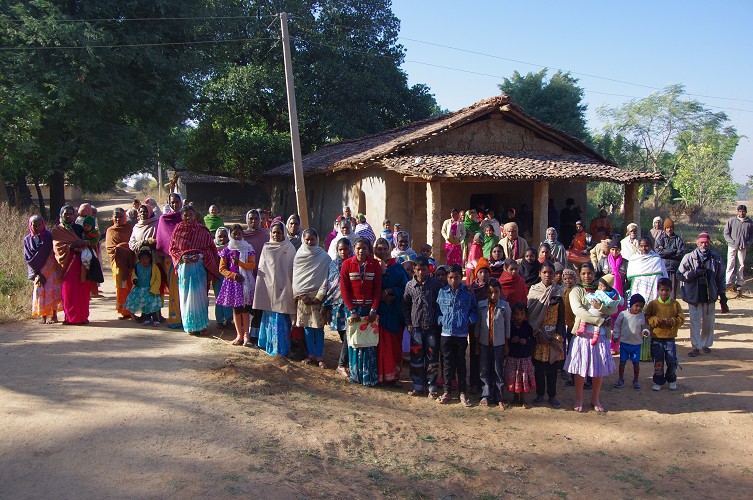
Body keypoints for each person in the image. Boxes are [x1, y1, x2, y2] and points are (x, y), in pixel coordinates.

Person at [564, 262, 617, 413]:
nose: (587, 276)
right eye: (583, 273)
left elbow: (612, 308)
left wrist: (601, 307)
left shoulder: (603, 288)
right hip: (582, 334)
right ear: (579, 274)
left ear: (594, 274)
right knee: (581, 367)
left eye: (590, 273)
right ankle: (579, 399)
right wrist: (599, 320)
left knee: (597, 368)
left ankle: (595, 399)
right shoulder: (576, 290)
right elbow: (578, 310)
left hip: (600, 335)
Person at [168, 206, 220, 335]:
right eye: (185, 215)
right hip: (185, 269)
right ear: (182, 216)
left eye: (190, 215)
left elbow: (211, 249)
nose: (188, 218)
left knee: (200, 296)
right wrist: (182, 257)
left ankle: (202, 325)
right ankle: (190, 326)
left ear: (195, 215)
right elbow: (173, 249)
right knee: (186, 297)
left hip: (199, 269)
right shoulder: (177, 230)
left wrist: (200, 255)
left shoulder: (203, 231)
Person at [340, 238, 382, 386]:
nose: (360, 251)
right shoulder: (347, 264)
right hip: (353, 310)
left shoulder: (374, 265)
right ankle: (356, 376)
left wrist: (373, 309)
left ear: (368, 249)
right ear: (354, 249)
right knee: (355, 343)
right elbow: (344, 289)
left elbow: (377, 289)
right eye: (358, 248)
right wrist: (351, 310)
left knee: (369, 343)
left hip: (369, 310)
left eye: (363, 248)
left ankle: (369, 377)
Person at [677, 232, 725, 358]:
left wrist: (723, 296)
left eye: (706, 242)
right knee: (695, 322)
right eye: (702, 242)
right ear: (697, 243)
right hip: (694, 296)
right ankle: (696, 346)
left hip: (710, 295)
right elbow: (680, 274)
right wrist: (694, 273)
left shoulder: (716, 258)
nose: (704, 245)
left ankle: (705, 344)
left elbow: (720, 278)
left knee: (709, 322)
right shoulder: (689, 257)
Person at [436, 264, 478, 406]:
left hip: (461, 333)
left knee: (461, 363)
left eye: (457, 278)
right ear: (447, 278)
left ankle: (462, 391)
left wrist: (469, 320)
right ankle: (447, 390)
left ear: (461, 277)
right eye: (451, 278)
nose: (454, 281)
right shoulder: (442, 292)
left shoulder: (467, 293)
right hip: (446, 332)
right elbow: (437, 310)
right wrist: (441, 320)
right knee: (447, 363)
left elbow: (474, 310)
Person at [253, 221, 296, 356]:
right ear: (270, 233)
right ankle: (269, 345)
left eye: (279, 232)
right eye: (274, 232)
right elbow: (263, 270)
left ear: (284, 233)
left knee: (282, 317)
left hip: (284, 288)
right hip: (269, 288)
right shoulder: (266, 248)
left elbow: (291, 270)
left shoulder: (289, 248)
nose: (276, 235)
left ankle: (281, 348)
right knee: (269, 316)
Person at [403, 255, 443, 398]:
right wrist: (408, 322)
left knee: (432, 357)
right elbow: (406, 305)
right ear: (414, 269)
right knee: (416, 358)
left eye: (424, 269)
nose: (421, 273)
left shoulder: (435, 284)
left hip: (432, 327)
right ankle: (418, 386)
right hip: (416, 329)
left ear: (428, 269)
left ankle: (432, 387)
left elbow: (442, 302)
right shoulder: (409, 286)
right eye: (418, 270)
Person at [527, 261, 565, 408]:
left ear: (555, 274)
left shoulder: (558, 292)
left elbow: (561, 317)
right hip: (539, 336)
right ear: (539, 274)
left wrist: (558, 336)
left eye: (551, 272)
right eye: (545, 272)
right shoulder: (534, 291)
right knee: (540, 368)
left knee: (552, 368)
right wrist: (538, 334)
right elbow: (531, 315)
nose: (548, 275)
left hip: (554, 336)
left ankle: (552, 395)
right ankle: (539, 395)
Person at [373, 238, 408, 384]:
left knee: (393, 346)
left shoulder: (397, 267)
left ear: (389, 250)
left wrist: (389, 291)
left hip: (393, 312)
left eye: (384, 248)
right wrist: (380, 297)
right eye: (379, 249)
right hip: (377, 313)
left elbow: (406, 288)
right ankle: (378, 376)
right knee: (377, 345)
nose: (381, 251)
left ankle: (393, 376)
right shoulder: (371, 266)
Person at [627, 238, 667, 361]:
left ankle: (649, 352)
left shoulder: (656, 259)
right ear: (638, 246)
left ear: (651, 246)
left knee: (650, 320)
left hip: (652, 293)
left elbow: (663, 276)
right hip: (638, 292)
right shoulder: (634, 259)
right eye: (641, 246)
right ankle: (635, 352)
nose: (644, 249)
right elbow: (630, 277)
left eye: (647, 246)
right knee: (636, 320)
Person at [217, 225, 256, 345]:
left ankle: (246, 336)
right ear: (231, 235)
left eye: (239, 234)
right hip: (233, 284)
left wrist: (239, 263)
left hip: (245, 282)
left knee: (245, 309)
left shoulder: (248, 248)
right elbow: (222, 269)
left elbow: (252, 265)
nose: (237, 236)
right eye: (235, 234)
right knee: (236, 310)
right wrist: (233, 276)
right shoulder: (227, 250)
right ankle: (239, 335)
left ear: (242, 234)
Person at [474, 278, 510, 408]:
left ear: (500, 292)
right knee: (484, 369)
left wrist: (506, 344)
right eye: (490, 292)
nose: (493, 295)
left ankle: (499, 396)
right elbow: (478, 326)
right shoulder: (481, 305)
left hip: (499, 344)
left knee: (498, 369)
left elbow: (508, 327)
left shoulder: (505, 306)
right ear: (486, 293)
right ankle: (486, 395)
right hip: (484, 343)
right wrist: (477, 343)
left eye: (496, 292)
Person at [52, 205, 91, 325]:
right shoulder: (57, 231)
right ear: (61, 215)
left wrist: (83, 243)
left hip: (81, 263)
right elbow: (57, 246)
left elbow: (89, 241)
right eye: (65, 214)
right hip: (67, 264)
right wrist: (71, 246)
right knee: (68, 291)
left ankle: (83, 317)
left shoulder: (79, 229)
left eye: (70, 214)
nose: (68, 216)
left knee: (82, 291)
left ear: (74, 215)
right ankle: (69, 318)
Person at [644, 278, 684, 391]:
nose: (664, 293)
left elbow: (681, 318)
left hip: (670, 338)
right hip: (656, 339)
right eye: (662, 290)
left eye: (667, 290)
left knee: (671, 360)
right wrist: (655, 320)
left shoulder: (675, 304)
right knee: (658, 362)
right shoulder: (653, 304)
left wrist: (672, 321)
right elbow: (647, 317)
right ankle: (658, 380)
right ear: (658, 290)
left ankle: (671, 378)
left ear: (671, 290)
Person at [323, 238, 353, 378]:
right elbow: (331, 284)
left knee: (349, 334)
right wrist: (326, 303)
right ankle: (347, 363)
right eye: (340, 249)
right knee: (343, 335)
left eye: (345, 249)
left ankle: (341, 364)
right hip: (337, 305)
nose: (343, 252)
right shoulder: (333, 264)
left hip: (350, 305)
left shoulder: (354, 264)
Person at [24, 215, 63, 324]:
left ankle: (54, 316)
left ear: (43, 224)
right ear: (30, 226)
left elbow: (56, 250)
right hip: (38, 270)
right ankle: (43, 316)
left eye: (39, 224)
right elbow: (28, 258)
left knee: (53, 290)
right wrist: (37, 273)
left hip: (51, 268)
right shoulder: (27, 240)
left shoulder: (49, 236)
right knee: (39, 290)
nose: (37, 227)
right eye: (34, 225)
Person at [156, 193, 185, 329]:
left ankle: (187, 318)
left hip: (185, 260)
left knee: (185, 289)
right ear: (168, 203)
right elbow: (162, 239)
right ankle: (175, 318)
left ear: (181, 202)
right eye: (172, 202)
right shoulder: (164, 219)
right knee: (174, 290)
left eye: (177, 202)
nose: (175, 204)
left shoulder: (186, 217)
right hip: (170, 260)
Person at [596, 236, 628, 353]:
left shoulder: (625, 263)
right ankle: (603, 345)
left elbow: (628, 281)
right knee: (604, 320)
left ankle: (614, 346)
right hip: (604, 297)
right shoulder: (602, 262)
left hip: (619, 297)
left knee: (618, 322)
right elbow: (597, 276)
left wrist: (622, 290)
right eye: (613, 249)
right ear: (609, 250)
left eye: (617, 249)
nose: (615, 252)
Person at [243, 209, 270, 344]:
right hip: (246, 276)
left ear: (261, 220)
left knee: (259, 306)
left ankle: (257, 333)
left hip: (262, 275)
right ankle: (244, 333)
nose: (253, 221)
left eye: (256, 219)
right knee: (246, 306)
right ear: (246, 220)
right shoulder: (242, 235)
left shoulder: (266, 235)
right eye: (251, 218)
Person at [613, 294, 649, 390]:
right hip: (624, 343)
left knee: (636, 364)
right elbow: (617, 326)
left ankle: (636, 380)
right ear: (631, 304)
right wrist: (616, 335)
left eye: (641, 306)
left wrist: (645, 332)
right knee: (622, 362)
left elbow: (644, 328)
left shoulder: (641, 316)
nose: (638, 308)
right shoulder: (623, 314)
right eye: (636, 305)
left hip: (636, 344)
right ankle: (621, 379)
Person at [504, 302, 536, 408]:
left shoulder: (527, 326)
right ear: (513, 314)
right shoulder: (510, 325)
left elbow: (533, 340)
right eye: (517, 314)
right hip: (513, 356)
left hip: (524, 357)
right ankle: (515, 398)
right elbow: (506, 338)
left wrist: (526, 341)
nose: (519, 316)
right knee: (514, 378)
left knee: (523, 378)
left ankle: (523, 399)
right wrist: (512, 340)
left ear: (525, 315)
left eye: (522, 314)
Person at [106, 208, 136, 320]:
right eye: (116, 216)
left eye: (120, 216)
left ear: (125, 217)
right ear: (112, 218)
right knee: (120, 286)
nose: (118, 219)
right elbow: (109, 248)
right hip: (117, 263)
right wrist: (120, 249)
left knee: (131, 285)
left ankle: (131, 310)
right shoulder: (110, 230)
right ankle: (124, 310)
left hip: (130, 261)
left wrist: (124, 248)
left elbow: (133, 244)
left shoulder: (130, 228)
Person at [580, 274, 623, 346]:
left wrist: (600, 307)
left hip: (602, 324)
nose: (600, 288)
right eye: (599, 285)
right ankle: (582, 327)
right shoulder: (579, 289)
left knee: (598, 329)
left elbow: (614, 309)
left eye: (603, 286)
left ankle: (595, 337)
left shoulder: (610, 296)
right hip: (587, 324)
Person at [125, 248, 164, 326]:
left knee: (153, 306)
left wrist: (154, 289)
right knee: (144, 305)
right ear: (140, 259)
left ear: (150, 259)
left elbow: (157, 279)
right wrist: (135, 280)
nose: (144, 260)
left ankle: (156, 320)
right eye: (142, 258)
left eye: (146, 258)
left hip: (151, 290)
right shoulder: (137, 266)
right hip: (140, 290)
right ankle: (147, 319)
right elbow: (134, 275)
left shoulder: (154, 267)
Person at [723, 204, 753, 296]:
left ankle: (739, 283)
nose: (742, 213)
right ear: (738, 211)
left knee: (741, 265)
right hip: (732, 246)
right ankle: (728, 282)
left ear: (746, 212)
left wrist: (748, 243)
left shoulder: (750, 222)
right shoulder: (732, 221)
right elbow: (726, 233)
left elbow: (752, 236)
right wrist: (731, 242)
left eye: (743, 211)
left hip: (743, 247)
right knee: (730, 263)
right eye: (740, 211)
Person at [654, 218, 685, 299]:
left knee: (672, 290)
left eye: (671, 228)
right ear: (665, 229)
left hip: (674, 268)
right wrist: (673, 251)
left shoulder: (678, 239)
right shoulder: (660, 239)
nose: (669, 230)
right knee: (662, 289)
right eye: (667, 228)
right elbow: (658, 252)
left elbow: (680, 253)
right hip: (663, 268)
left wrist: (665, 251)